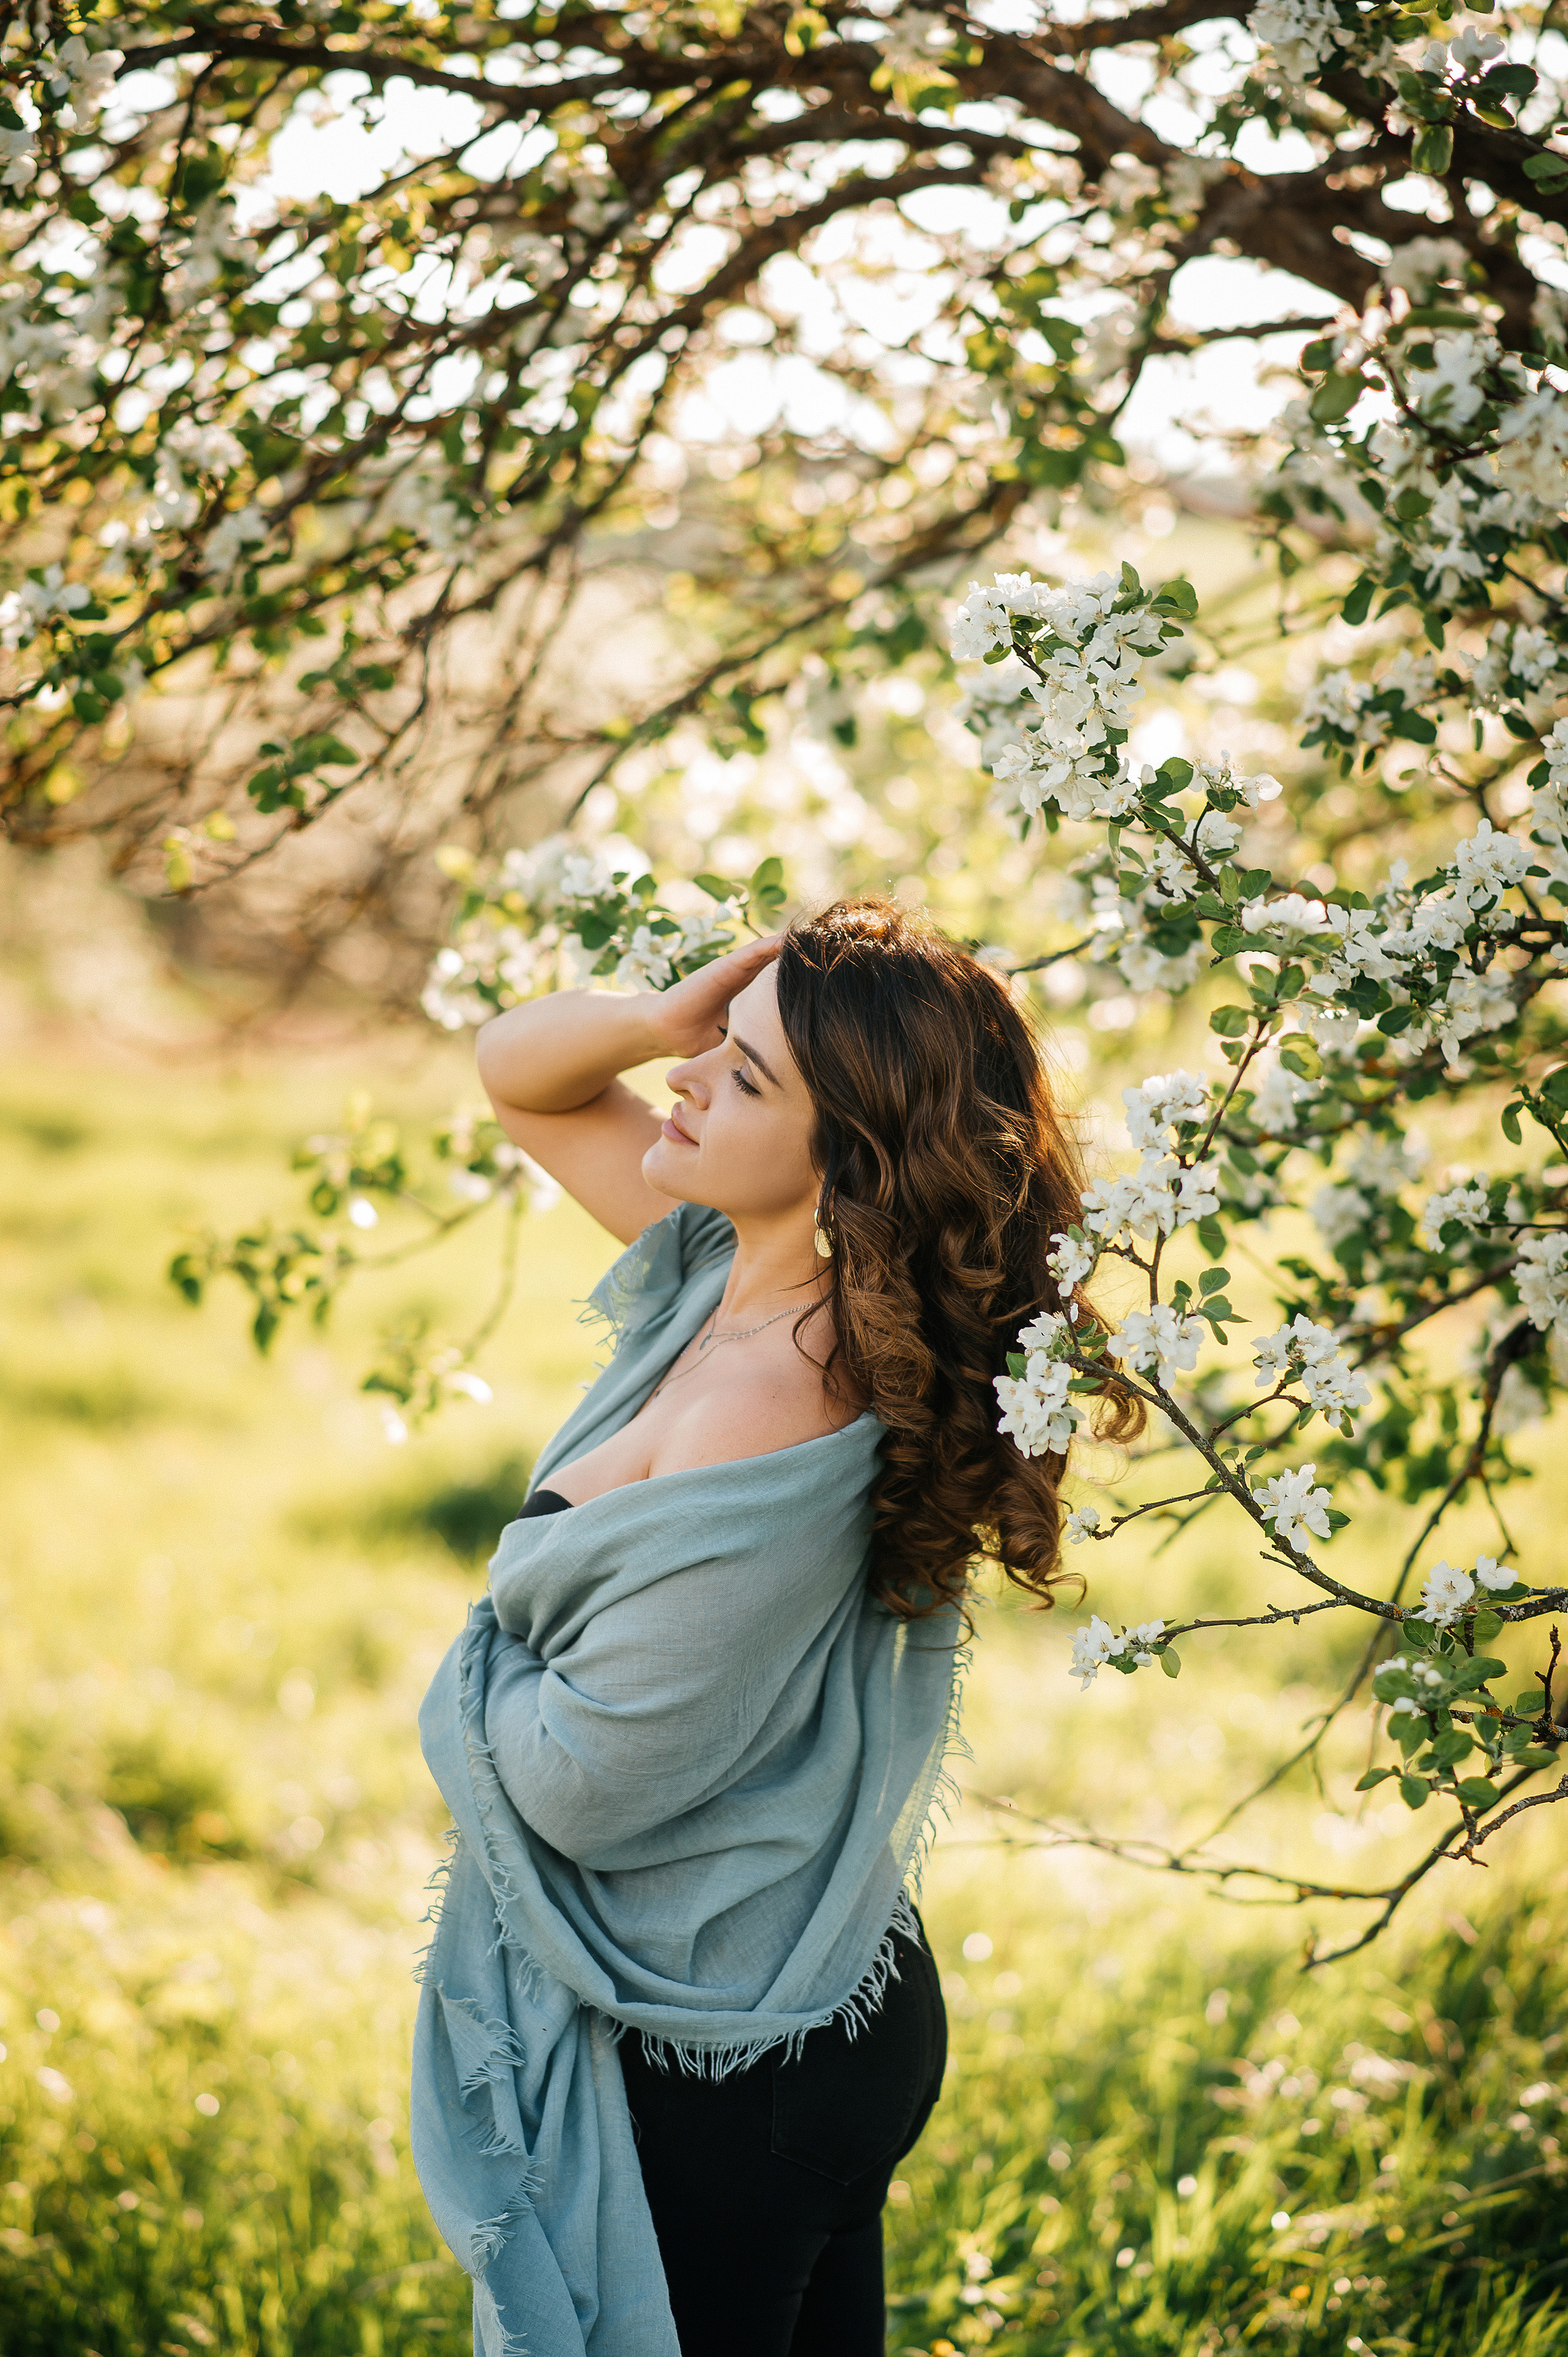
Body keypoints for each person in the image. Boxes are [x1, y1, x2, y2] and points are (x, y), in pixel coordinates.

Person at [410, 897, 1133, 2357]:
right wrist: (672, 1011)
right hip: (782, 1995)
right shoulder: (719, 1276)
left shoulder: (770, 1403)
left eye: (741, 1081)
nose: (681, 1084)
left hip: (733, 2063)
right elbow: (519, 1073)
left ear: (845, 1164)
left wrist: (462, 1668)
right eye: (712, 1054)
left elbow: (579, 1784)